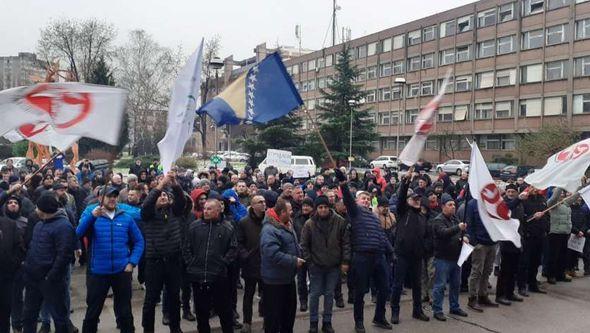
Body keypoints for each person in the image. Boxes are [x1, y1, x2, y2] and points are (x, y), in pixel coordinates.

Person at [76, 187, 144, 333]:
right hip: (98, 272)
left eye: (115, 196)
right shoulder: (93, 216)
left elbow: (139, 241)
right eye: (109, 196)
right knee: (93, 312)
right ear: (100, 199)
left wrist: (132, 262)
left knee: (125, 312)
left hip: (122, 271)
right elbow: (78, 233)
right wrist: (91, 217)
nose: (112, 199)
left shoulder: (126, 218)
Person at [334, 168, 393, 332]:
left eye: (368, 199)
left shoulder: (374, 216)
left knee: (385, 288)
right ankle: (358, 322)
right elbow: (347, 197)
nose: (366, 201)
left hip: (378, 256)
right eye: (363, 198)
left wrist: (390, 251)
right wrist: (343, 182)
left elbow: (381, 235)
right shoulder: (355, 212)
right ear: (357, 201)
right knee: (360, 292)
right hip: (361, 257)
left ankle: (379, 317)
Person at [22, 193, 76, 333]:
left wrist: (50, 277)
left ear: (43, 209)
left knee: (59, 318)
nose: (35, 210)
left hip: (52, 281)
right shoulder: (39, 224)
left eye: (37, 207)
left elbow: (64, 256)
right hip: (33, 279)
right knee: (29, 315)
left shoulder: (63, 226)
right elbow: (33, 248)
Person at [140, 172, 186, 333]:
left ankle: (176, 328)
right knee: (151, 300)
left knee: (174, 297)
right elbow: (147, 204)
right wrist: (160, 186)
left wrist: (174, 183)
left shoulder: (175, 211)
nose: (163, 197)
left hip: (173, 260)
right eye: (160, 195)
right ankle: (148, 330)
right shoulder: (149, 214)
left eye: (166, 195)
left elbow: (182, 200)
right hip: (155, 262)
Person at [183, 199, 237, 333]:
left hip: (219, 276)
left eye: (209, 209)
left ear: (218, 211)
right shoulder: (194, 226)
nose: (205, 211)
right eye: (205, 208)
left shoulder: (227, 227)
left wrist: (223, 263)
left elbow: (233, 248)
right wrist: (191, 263)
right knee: (202, 315)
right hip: (198, 276)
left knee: (225, 312)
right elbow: (186, 247)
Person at [300, 195, 351, 333]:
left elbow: (346, 243)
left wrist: (345, 261)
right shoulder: (309, 224)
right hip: (316, 266)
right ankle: (313, 323)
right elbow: (304, 245)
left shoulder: (340, 221)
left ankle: (327, 322)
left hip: (333, 266)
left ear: (329, 207)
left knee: (329, 295)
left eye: (325, 207)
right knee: (315, 295)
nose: (323, 210)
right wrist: (310, 262)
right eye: (320, 207)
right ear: (316, 209)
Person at [391, 175, 431, 324]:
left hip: (417, 256)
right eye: (414, 199)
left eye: (418, 199)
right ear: (408, 201)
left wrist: (424, 249)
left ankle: (417, 310)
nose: (417, 201)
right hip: (402, 255)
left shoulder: (422, 217)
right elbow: (401, 197)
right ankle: (395, 312)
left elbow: (427, 236)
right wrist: (405, 182)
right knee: (397, 284)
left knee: (417, 285)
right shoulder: (402, 212)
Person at [260, 198, 303, 333]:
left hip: (287, 278)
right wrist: (294, 261)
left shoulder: (287, 224)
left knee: (288, 314)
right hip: (274, 281)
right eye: (290, 211)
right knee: (273, 317)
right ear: (283, 212)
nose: (292, 213)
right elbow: (271, 254)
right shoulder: (269, 229)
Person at [431, 194, 469, 321]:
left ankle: (454, 306)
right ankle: (437, 309)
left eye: (454, 205)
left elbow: (462, 232)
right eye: (450, 205)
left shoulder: (455, 218)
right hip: (443, 258)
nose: (453, 207)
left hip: (456, 258)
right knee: (440, 285)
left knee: (455, 284)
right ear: (443, 206)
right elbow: (443, 233)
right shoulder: (438, 220)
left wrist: (465, 237)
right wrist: (458, 228)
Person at [237, 195, 267, 333]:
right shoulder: (244, 222)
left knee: (267, 295)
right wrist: (245, 255)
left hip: (266, 263)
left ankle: (267, 320)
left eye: (264, 202)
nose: (263, 204)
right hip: (250, 264)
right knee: (248, 295)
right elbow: (239, 242)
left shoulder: (268, 220)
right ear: (253, 205)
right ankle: (247, 322)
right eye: (260, 202)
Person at [465, 198, 499, 312]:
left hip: (492, 242)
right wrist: (475, 242)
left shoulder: (493, 202)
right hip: (480, 244)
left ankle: (483, 295)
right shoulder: (472, 204)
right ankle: (472, 298)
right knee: (477, 271)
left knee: (487, 271)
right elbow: (469, 225)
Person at [497, 184, 526, 305]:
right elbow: (507, 209)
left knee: (514, 269)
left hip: (517, 241)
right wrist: (518, 198)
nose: (510, 194)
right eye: (508, 191)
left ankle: (510, 292)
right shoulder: (503, 203)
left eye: (513, 192)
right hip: (506, 242)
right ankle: (500, 295)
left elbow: (521, 222)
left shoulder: (519, 205)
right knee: (505, 270)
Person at [520, 187, 549, 295]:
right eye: (533, 186)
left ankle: (533, 284)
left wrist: (547, 228)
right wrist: (533, 216)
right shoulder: (524, 200)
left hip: (540, 235)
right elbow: (521, 219)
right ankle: (522, 286)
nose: (535, 189)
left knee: (536, 262)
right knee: (525, 262)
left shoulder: (542, 199)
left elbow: (547, 215)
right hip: (528, 236)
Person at [546, 187, 578, 284]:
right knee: (553, 256)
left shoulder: (565, 203)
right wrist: (560, 185)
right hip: (554, 233)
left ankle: (560, 274)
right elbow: (555, 197)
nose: (562, 195)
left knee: (562, 255)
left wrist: (582, 186)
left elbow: (575, 196)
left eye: (563, 193)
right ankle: (551, 275)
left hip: (565, 232)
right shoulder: (551, 204)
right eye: (560, 193)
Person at [0, 213, 25, 333]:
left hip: (5, 277)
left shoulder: (9, 224)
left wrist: (12, 263)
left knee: (4, 313)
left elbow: (19, 248)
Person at [293, 197, 314, 312]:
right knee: (301, 280)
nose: (305, 208)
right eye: (304, 205)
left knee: (313, 278)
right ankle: (303, 301)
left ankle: (312, 301)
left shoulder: (316, 218)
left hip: (313, 253)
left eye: (308, 206)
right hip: (300, 253)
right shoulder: (296, 217)